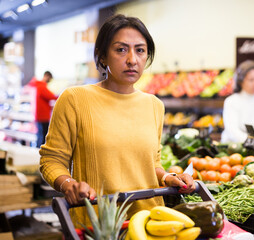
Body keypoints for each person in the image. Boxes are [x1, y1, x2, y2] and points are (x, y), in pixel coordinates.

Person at [39, 14, 195, 227]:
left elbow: (151, 164)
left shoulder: (154, 105)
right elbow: (51, 160)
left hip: (149, 222)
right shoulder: (74, 99)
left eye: (140, 50)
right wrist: (69, 184)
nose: (132, 59)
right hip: (97, 223)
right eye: (121, 49)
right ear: (102, 56)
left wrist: (168, 177)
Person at [27, 71, 58, 148]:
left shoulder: (36, 85)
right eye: (49, 79)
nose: (49, 81)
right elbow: (51, 96)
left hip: (38, 115)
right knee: (43, 136)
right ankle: (39, 154)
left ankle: (37, 153)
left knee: (40, 135)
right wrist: (62, 96)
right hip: (43, 116)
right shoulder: (41, 86)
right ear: (47, 76)